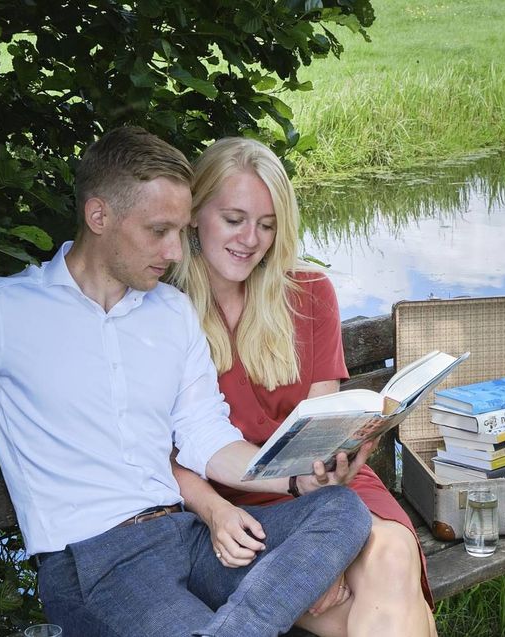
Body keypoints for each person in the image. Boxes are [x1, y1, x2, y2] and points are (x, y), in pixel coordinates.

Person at [0, 127, 377, 637]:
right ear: (100, 216)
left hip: (186, 533)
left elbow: (205, 437)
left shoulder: (170, 314)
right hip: (95, 561)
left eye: (179, 232)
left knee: (340, 511)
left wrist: (296, 477)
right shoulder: (6, 312)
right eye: (159, 231)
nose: (175, 252)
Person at [169, 137, 438, 637]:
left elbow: (327, 430)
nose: (251, 239)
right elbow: (164, 455)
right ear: (193, 214)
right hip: (234, 512)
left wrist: (342, 477)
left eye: (267, 225)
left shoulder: (309, 294)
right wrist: (218, 511)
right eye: (234, 219)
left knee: (390, 554)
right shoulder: (164, 311)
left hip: (329, 489)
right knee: (393, 608)